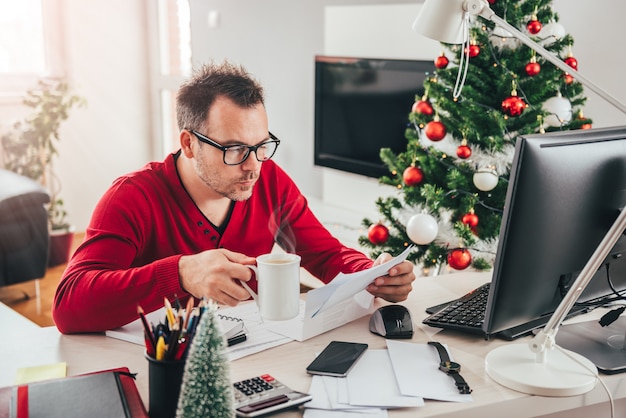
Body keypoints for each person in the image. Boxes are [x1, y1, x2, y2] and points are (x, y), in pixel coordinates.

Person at [52, 61, 416, 334]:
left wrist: (371, 274)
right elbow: (69, 306)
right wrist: (181, 273)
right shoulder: (132, 198)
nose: (253, 166)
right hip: (163, 366)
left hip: (255, 352)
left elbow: (325, 254)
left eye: (260, 146)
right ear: (189, 144)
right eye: (235, 149)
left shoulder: (269, 181)